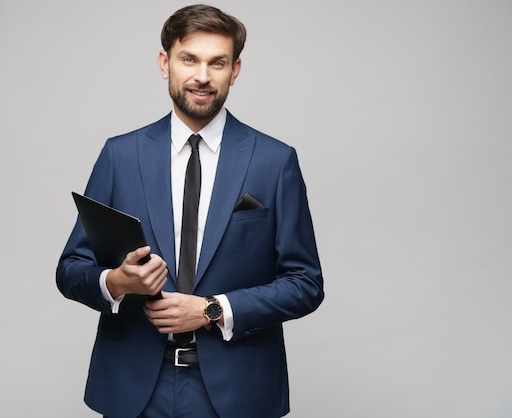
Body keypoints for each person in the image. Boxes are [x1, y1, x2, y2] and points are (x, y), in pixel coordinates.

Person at [57, 4, 324, 417]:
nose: (202, 76)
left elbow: (305, 283)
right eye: (189, 59)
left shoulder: (275, 161)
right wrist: (117, 281)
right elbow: (70, 269)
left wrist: (212, 310)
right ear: (165, 63)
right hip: (136, 392)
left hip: (238, 393)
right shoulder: (120, 155)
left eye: (217, 62)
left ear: (235, 70)